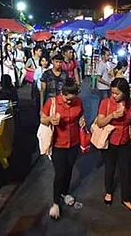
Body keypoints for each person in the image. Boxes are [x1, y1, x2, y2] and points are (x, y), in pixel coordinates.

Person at [40, 79, 84, 220]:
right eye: (67, 99)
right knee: (60, 173)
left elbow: (80, 114)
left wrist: (82, 119)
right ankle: (55, 203)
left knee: (69, 169)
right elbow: (42, 119)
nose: (69, 102)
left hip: (74, 142)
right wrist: (50, 120)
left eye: (72, 99)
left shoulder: (78, 101)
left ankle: (65, 193)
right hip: (58, 143)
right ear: (62, 93)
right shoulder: (52, 103)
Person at [96, 78, 131, 214]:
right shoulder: (105, 102)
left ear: (124, 93)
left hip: (125, 141)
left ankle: (126, 198)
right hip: (109, 140)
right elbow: (100, 123)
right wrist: (113, 115)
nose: (113, 95)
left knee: (125, 170)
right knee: (110, 168)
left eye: (117, 93)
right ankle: (109, 192)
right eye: (112, 92)